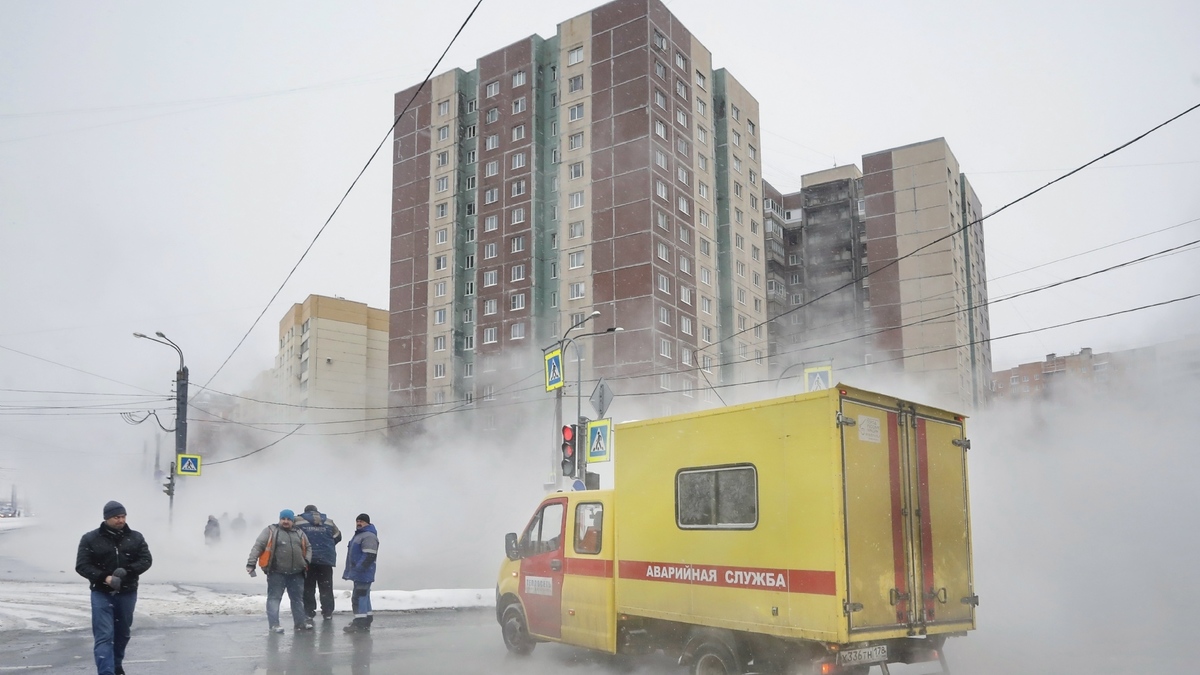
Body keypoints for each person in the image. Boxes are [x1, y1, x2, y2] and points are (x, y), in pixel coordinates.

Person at [75, 500, 152, 675]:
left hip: (127, 592)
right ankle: (106, 671)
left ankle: (116, 664)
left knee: (123, 633)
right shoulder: (90, 539)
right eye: (117, 517)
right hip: (101, 593)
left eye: (123, 516)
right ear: (107, 518)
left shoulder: (136, 537)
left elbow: (146, 560)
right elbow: (82, 566)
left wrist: (127, 571)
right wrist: (105, 577)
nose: (121, 520)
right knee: (104, 635)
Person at [247, 509, 312, 634]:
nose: (285, 521)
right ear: (280, 519)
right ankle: (274, 625)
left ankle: (300, 623)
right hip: (276, 573)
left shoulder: (299, 533)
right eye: (283, 519)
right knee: (274, 599)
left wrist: (306, 561)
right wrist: (251, 562)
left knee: (297, 599)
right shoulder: (271, 531)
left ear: (292, 521)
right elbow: (258, 546)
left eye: (288, 519)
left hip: (297, 573)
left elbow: (308, 547)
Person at [295, 504, 342, 621]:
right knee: (326, 587)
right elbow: (338, 536)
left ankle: (309, 612)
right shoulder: (329, 522)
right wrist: (327, 546)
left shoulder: (298, 521)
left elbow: (293, 537)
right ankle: (327, 612)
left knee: (308, 587)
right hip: (325, 560)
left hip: (307, 560)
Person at [342, 513, 379, 633]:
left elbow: (369, 555)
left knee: (359, 597)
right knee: (364, 596)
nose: (359, 523)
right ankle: (366, 619)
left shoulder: (368, 536)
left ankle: (360, 623)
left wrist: (359, 569)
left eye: (362, 521)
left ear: (367, 523)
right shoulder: (359, 535)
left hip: (363, 573)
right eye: (357, 521)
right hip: (360, 573)